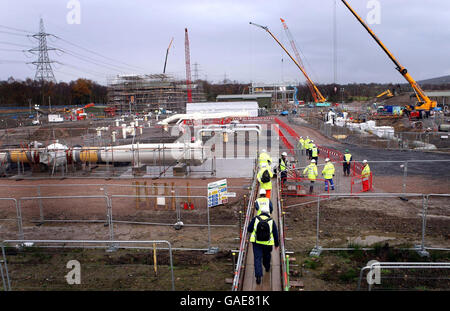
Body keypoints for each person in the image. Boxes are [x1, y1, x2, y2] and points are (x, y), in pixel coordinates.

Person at [247, 203, 279, 285]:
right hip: (268, 243)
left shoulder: (255, 219)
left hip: (256, 242)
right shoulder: (271, 221)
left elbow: (249, 229)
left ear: (260, 211)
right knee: (267, 256)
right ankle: (267, 266)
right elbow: (275, 233)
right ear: (268, 212)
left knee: (257, 259)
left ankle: (258, 276)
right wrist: (276, 244)